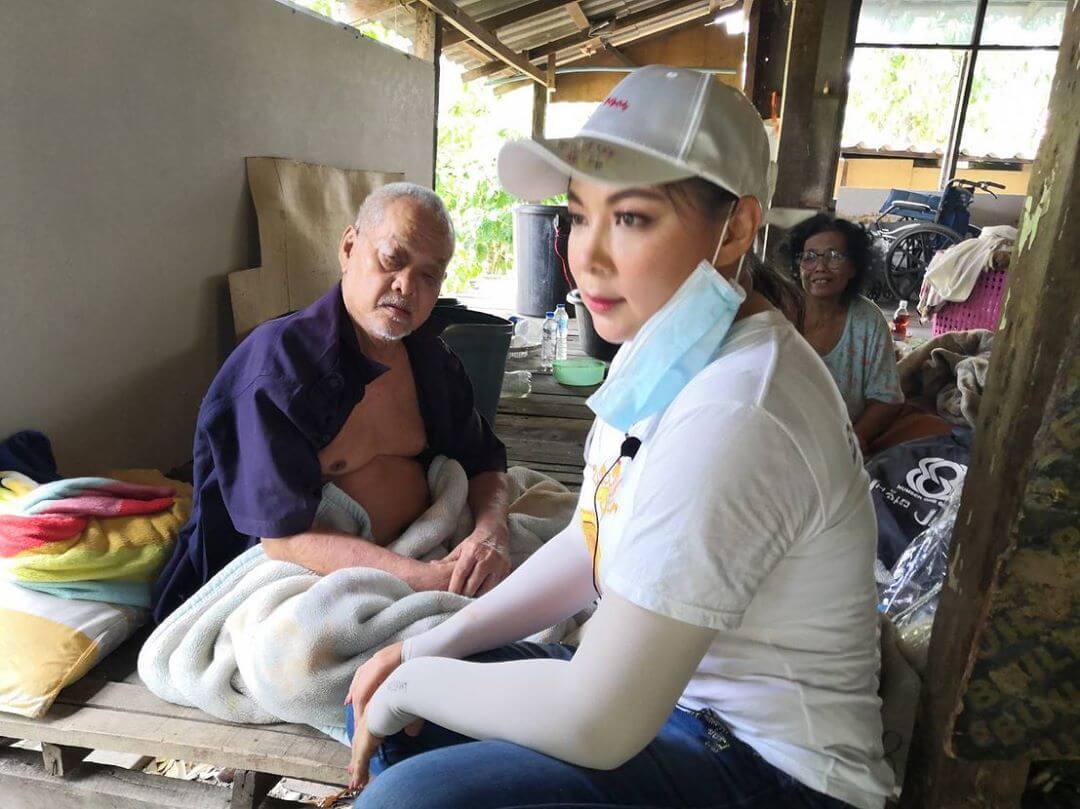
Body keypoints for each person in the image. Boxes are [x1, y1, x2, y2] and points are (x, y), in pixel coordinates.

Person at [342, 67, 893, 809]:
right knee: (390, 717)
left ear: (735, 228)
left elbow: (598, 724)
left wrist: (413, 682)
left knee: (407, 796)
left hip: (774, 769)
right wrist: (420, 650)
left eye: (631, 218)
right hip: (674, 710)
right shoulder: (660, 345)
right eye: (578, 215)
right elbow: (590, 539)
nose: (587, 256)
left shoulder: (740, 408)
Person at [152, 184, 511, 623]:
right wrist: (419, 579)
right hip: (302, 578)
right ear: (348, 248)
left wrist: (490, 534)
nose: (406, 286)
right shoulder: (278, 368)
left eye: (428, 276)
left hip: (427, 548)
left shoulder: (433, 361)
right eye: (392, 259)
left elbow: (484, 461)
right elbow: (282, 537)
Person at [783, 214, 903, 453]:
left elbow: (887, 398)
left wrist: (854, 439)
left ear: (853, 267)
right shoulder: (778, 312)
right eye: (809, 257)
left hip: (840, 441)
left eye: (834, 256)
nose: (820, 267)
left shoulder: (868, 321)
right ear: (798, 266)